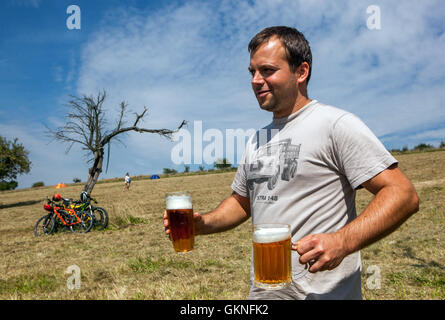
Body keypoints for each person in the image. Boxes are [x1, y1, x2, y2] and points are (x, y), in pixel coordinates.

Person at [163, 26, 419, 299]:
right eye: (252, 72)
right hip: (264, 294)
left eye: (267, 70)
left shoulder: (335, 124)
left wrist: (342, 241)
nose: (255, 80)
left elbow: (402, 194)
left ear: (301, 72)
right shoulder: (257, 140)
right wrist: (203, 224)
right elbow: (242, 202)